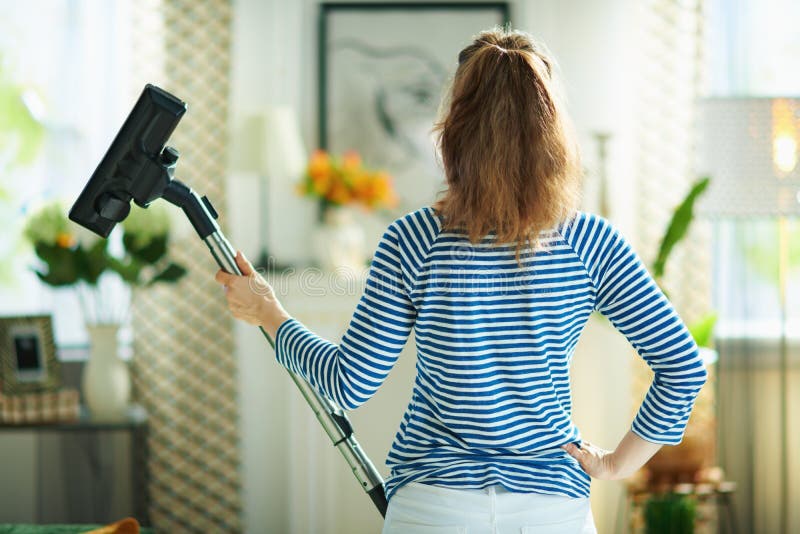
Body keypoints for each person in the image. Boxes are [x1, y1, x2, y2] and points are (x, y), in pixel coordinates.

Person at [214, 28, 708, 534]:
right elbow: (684, 367)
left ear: (455, 129)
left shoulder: (413, 240)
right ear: (553, 134)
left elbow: (347, 384)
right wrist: (617, 465)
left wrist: (269, 312)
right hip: (548, 510)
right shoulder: (591, 242)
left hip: (433, 509)